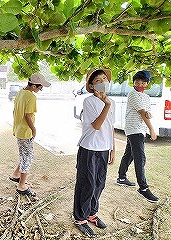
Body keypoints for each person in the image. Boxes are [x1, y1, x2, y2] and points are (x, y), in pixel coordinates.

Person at [73, 68, 115, 237]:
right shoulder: (89, 101)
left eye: (105, 79)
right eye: (98, 80)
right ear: (91, 85)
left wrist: (112, 148)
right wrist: (106, 104)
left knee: (99, 183)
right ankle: (80, 218)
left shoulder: (111, 101)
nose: (103, 82)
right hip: (89, 148)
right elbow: (96, 125)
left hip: (104, 148)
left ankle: (92, 213)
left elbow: (110, 126)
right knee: (86, 183)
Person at [116, 70, 159, 203]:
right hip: (133, 128)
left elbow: (147, 112)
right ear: (133, 83)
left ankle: (121, 178)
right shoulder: (133, 94)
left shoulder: (146, 97)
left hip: (140, 129)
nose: (139, 84)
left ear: (146, 84)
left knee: (129, 154)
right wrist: (152, 129)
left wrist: (149, 114)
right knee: (140, 157)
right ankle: (143, 188)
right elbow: (142, 112)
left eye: (142, 83)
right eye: (136, 82)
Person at [10, 73, 51, 196]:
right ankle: (21, 186)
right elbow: (28, 115)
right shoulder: (31, 97)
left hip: (18, 130)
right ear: (33, 86)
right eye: (40, 87)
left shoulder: (20, 92)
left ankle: (15, 175)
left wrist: (17, 124)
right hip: (26, 131)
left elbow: (14, 111)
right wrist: (34, 129)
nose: (40, 89)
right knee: (28, 157)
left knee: (24, 155)